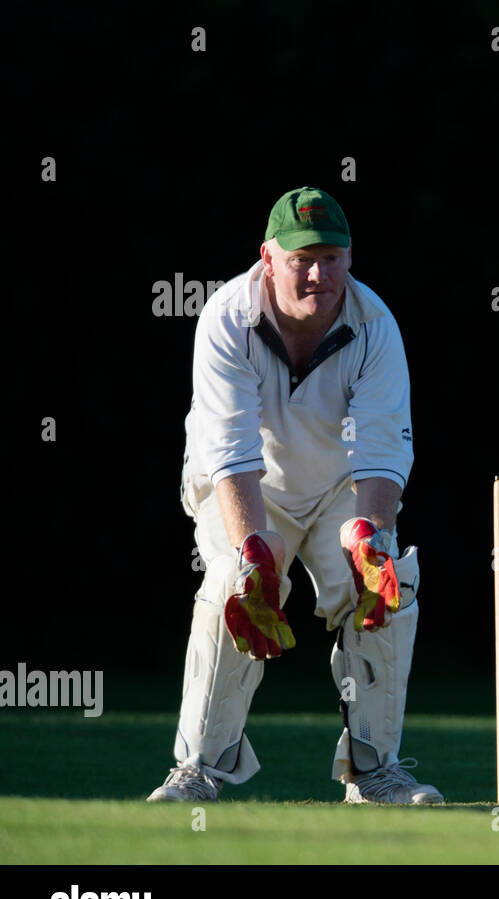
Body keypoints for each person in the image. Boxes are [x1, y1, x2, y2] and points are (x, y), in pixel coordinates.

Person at [148, 186, 442, 805]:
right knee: (238, 580)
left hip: (338, 486)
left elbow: (384, 449)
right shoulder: (228, 318)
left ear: (350, 258)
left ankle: (375, 772)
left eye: (331, 257)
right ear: (268, 258)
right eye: (302, 258)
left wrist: (372, 538)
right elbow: (229, 448)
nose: (318, 273)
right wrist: (256, 552)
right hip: (247, 485)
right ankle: (196, 770)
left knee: (387, 581)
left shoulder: (375, 325)